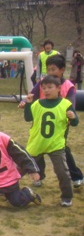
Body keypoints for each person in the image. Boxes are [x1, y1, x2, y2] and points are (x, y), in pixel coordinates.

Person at [19, 54, 83, 188]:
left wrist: (70, 116)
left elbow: (71, 104)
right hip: (41, 120)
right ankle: (40, 175)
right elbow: (32, 95)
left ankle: (76, 176)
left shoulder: (68, 86)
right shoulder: (43, 83)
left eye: (53, 69)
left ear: (62, 70)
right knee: (38, 148)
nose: (51, 72)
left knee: (62, 150)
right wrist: (25, 102)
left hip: (59, 124)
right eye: (48, 69)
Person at [24, 75, 78, 207]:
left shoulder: (66, 104)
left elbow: (75, 122)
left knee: (62, 172)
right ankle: (5, 188)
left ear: (59, 88)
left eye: (50, 87)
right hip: (37, 142)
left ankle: (66, 197)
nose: (46, 90)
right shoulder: (37, 103)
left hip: (56, 145)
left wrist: (73, 117)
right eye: (44, 88)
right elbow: (27, 118)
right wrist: (28, 104)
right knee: (24, 166)